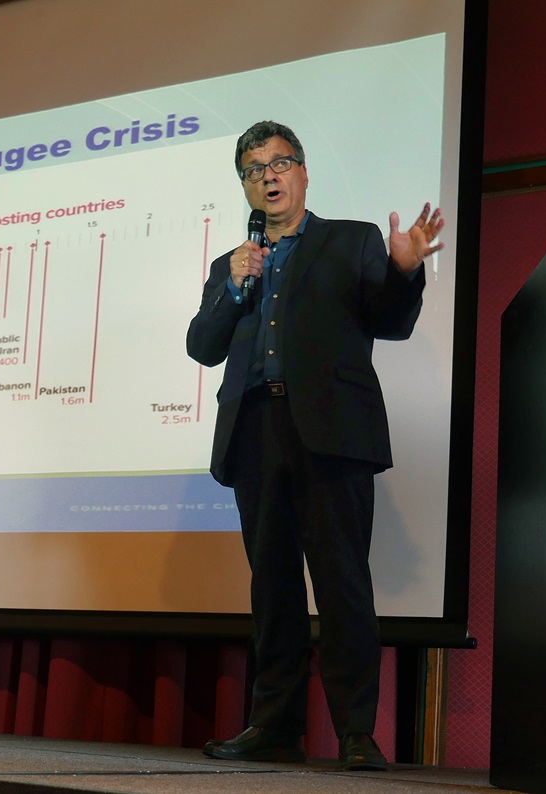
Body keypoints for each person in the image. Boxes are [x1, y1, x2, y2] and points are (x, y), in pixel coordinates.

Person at [186, 120, 444, 772]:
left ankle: (356, 732)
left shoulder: (350, 241)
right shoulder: (230, 263)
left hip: (332, 433)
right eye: (253, 169)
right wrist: (236, 285)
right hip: (254, 434)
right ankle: (274, 727)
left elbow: (389, 319)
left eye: (279, 163)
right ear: (243, 184)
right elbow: (203, 344)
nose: (267, 176)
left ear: (303, 173)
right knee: (271, 590)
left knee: (342, 584)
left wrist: (405, 269)